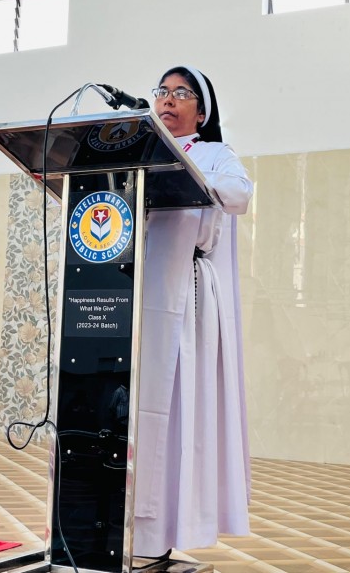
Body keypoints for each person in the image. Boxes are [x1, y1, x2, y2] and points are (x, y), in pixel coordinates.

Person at [133, 65, 253, 557]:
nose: (167, 99)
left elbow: (239, 194)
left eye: (181, 93)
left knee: (177, 409)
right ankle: (121, 528)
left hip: (186, 298)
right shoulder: (139, 152)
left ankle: (168, 530)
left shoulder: (214, 153)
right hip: (131, 296)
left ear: (201, 112)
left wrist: (183, 169)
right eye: (162, 91)